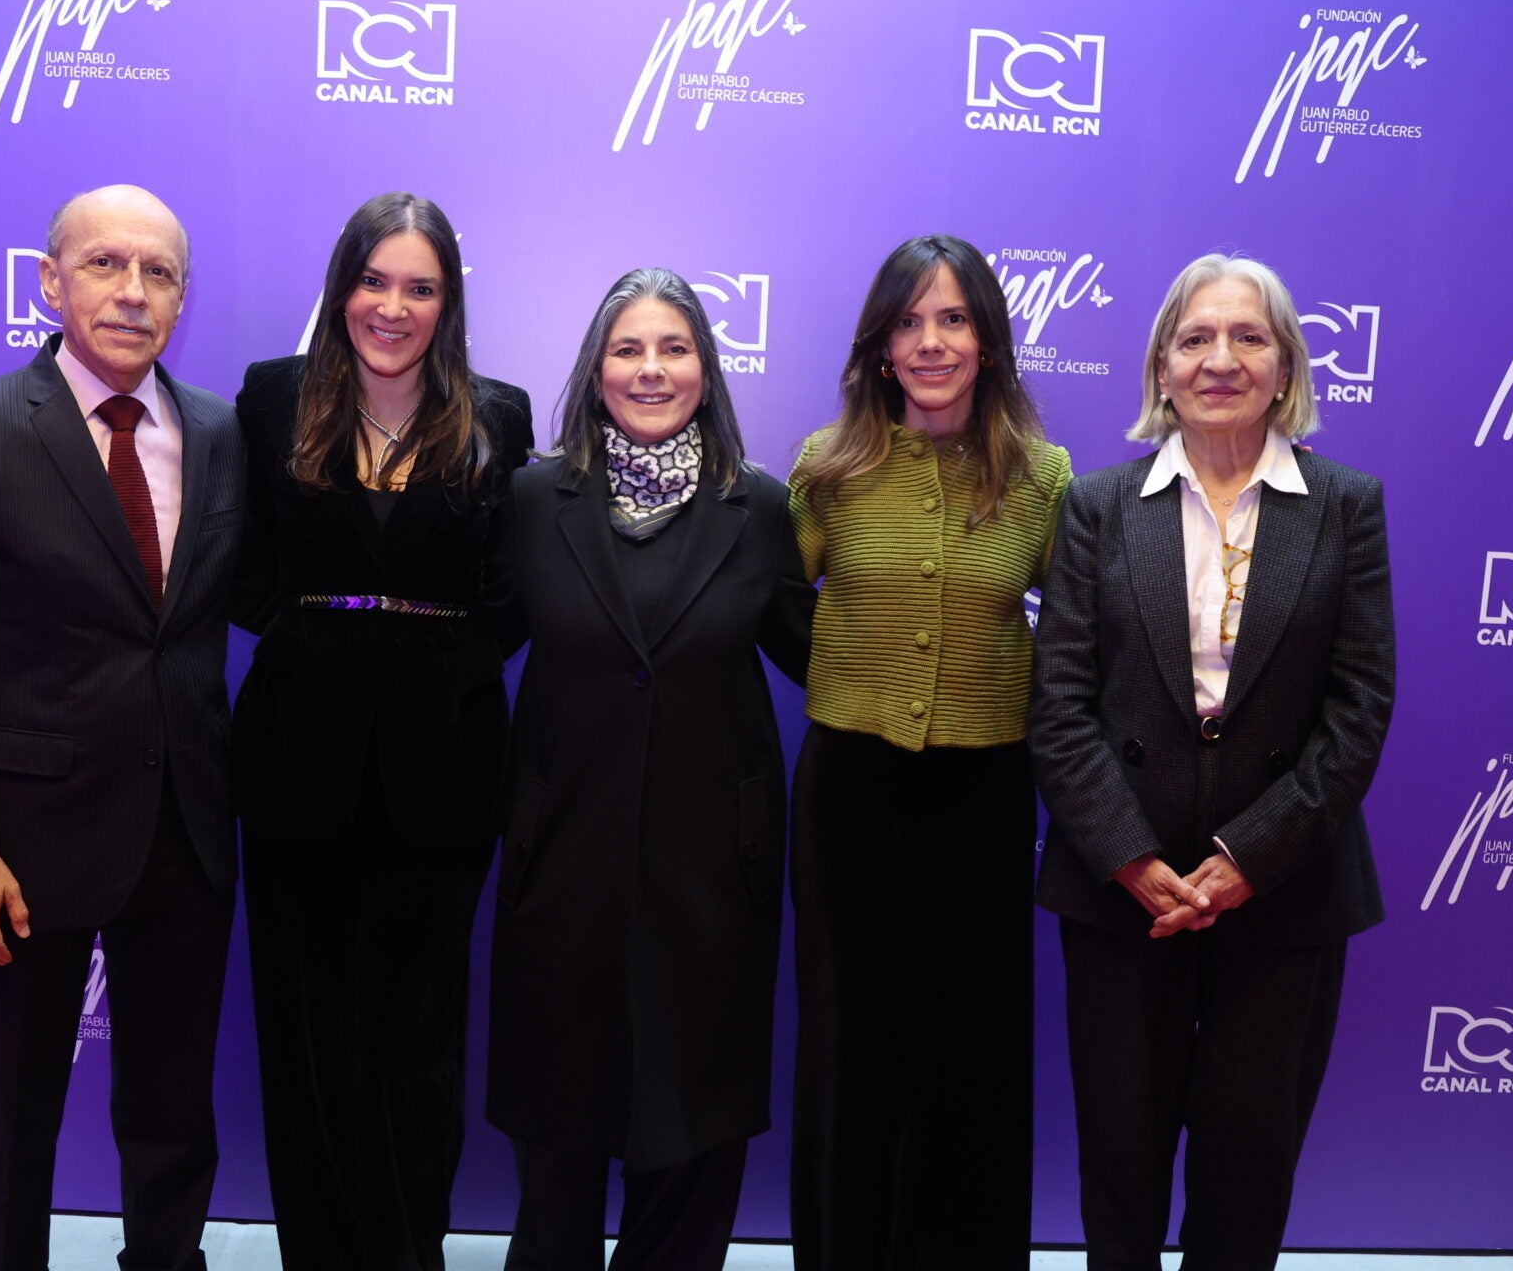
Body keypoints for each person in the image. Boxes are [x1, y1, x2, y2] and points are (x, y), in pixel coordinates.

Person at [0, 184, 242, 1271]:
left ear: (182, 295)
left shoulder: (219, 431)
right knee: (12, 1114)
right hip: (23, 851)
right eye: (104, 265)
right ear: (51, 280)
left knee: (175, 1112)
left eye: (159, 272)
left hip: (184, 830)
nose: (133, 292)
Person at [1031, 253, 1396, 1271]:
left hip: (1284, 891)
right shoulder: (1098, 503)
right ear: (1159, 368)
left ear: (1285, 366)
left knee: (1246, 1171)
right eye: (1195, 338)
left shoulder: (1345, 504)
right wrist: (1132, 857)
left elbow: (1360, 704)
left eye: (1248, 337)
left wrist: (1248, 857)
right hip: (1124, 892)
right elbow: (1058, 704)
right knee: (1120, 1163)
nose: (1220, 358)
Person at [483, 268, 814, 1271]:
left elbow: (826, 658)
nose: (652, 369)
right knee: (560, 1126)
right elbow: (465, 641)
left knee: (695, 1128)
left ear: (708, 373)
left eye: (675, 348)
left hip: (713, 869)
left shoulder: (759, 505)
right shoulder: (536, 497)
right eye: (628, 348)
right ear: (595, 370)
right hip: (565, 856)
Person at [230, 191, 533, 1270]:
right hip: (294, 754)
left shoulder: (500, 413)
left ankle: (409, 1251)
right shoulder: (271, 399)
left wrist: (435, 663)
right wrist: (324, 637)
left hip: (443, 763)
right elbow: (243, 561)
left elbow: (512, 591)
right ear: (341, 285)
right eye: (374, 280)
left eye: (419, 287)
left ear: (448, 303)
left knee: (417, 1036)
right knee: (307, 1033)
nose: (392, 307)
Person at [787, 233, 1071, 1271]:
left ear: (989, 341)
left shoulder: (1045, 479)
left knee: (972, 1053)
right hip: (849, 797)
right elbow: (772, 608)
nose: (932, 340)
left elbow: (1078, 643)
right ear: (879, 344)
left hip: (984, 798)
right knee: (853, 1049)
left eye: (953, 318)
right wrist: (846, 675)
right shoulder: (827, 468)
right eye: (910, 321)